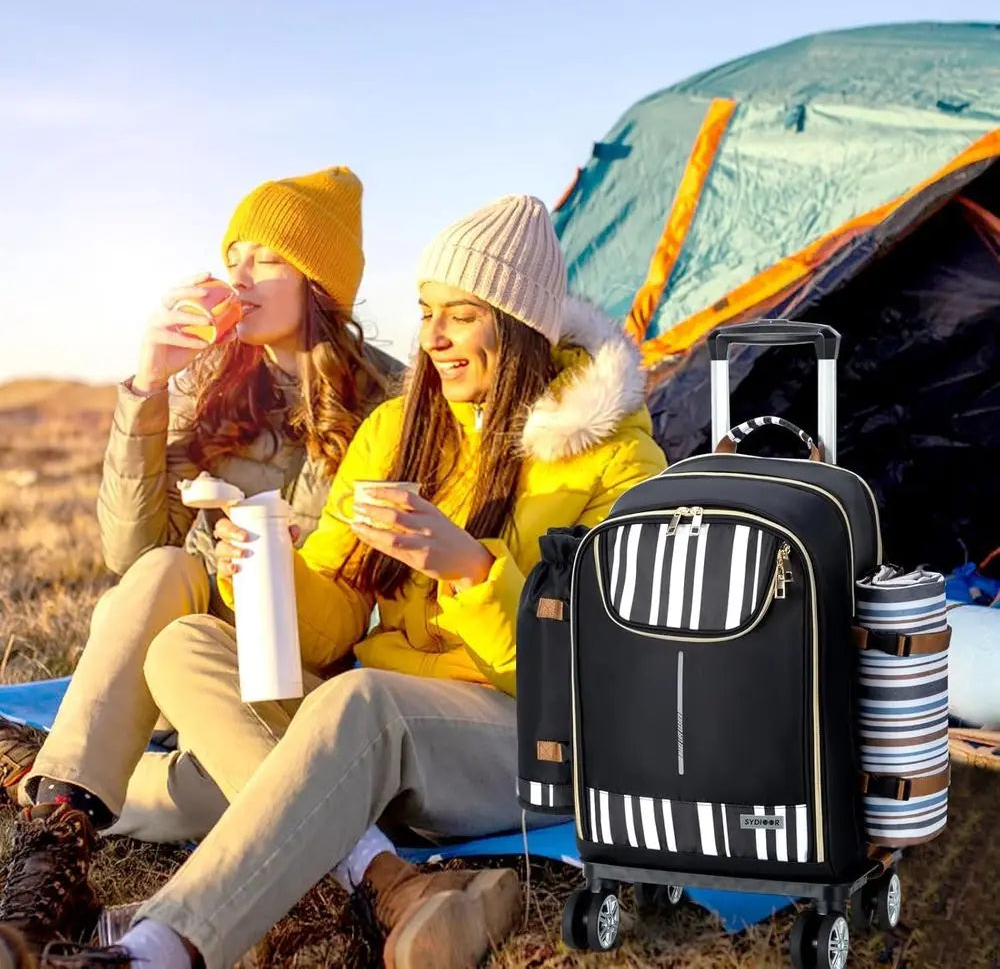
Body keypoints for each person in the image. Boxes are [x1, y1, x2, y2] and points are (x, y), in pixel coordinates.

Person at [0, 193, 666, 969]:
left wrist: (471, 570)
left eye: (462, 315)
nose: (436, 338)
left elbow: (600, 666)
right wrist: (275, 570)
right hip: (379, 724)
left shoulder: (615, 456)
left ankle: (156, 948)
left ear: (519, 324)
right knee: (184, 645)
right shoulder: (399, 430)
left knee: (358, 702)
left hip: (525, 734)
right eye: (426, 312)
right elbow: (332, 625)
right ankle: (382, 880)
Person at [0, 166, 398, 950]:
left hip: (302, 675)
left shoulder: (385, 401)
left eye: (266, 257)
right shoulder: (210, 382)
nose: (237, 275)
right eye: (233, 253)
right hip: (182, 659)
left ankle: (34, 775)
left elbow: (358, 598)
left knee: (218, 793)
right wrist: (146, 386)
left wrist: (272, 553)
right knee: (162, 569)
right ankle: (55, 851)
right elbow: (128, 553)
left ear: (318, 280)